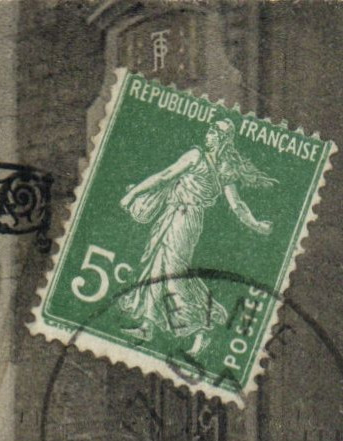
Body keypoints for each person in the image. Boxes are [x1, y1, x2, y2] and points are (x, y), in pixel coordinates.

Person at [117, 115, 275, 359]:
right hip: (175, 215)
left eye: (215, 131)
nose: (209, 133)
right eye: (210, 129)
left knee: (171, 272)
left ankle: (201, 328)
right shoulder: (217, 165)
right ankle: (148, 325)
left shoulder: (206, 160)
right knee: (156, 266)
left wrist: (132, 195)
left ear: (223, 140)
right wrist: (256, 225)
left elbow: (165, 177)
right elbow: (167, 177)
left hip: (184, 219)